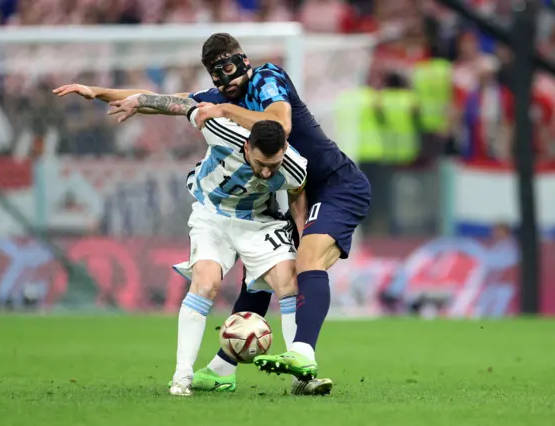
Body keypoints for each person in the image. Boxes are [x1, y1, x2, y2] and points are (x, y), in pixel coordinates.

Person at [53, 32, 371, 389]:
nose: (227, 84)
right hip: (294, 192)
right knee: (261, 278)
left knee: (305, 263)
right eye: (219, 79)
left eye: (231, 73)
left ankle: (302, 355)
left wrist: (222, 110)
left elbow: (279, 125)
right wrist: (99, 93)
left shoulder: (267, 78)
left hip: (335, 185)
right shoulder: (218, 101)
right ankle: (221, 370)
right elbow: (164, 101)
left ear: (244, 62)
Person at [112, 93, 330, 396]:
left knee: (288, 282)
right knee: (206, 283)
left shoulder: (294, 166)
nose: (267, 172)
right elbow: (186, 106)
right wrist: (139, 100)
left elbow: (296, 195)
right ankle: (182, 376)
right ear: (246, 147)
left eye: (273, 165)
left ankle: (301, 379)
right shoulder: (222, 130)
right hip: (212, 215)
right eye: (260, 164)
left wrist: (301, 234)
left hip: (258, 221)